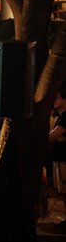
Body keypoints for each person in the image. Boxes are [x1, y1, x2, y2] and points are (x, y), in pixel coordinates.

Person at [49, 87, 66, 232]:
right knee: (62, 190)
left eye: (58, 98)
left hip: (64, 158)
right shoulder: (60, 116)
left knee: (65, 189)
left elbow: (53, 136)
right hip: (59, 157)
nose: (55, 101)